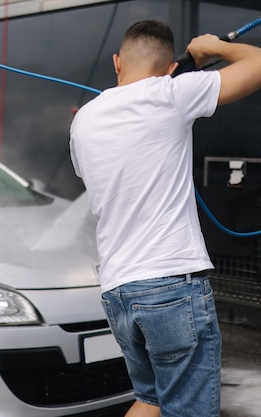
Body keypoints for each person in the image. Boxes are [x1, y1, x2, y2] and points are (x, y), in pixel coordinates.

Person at [69, 20, 261, 417]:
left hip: (120, 292)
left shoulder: (83, 120)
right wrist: (214, 47)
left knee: (151, 399)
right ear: (169, 69)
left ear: (117, 62)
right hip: (171, 289)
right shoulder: (170, 94)